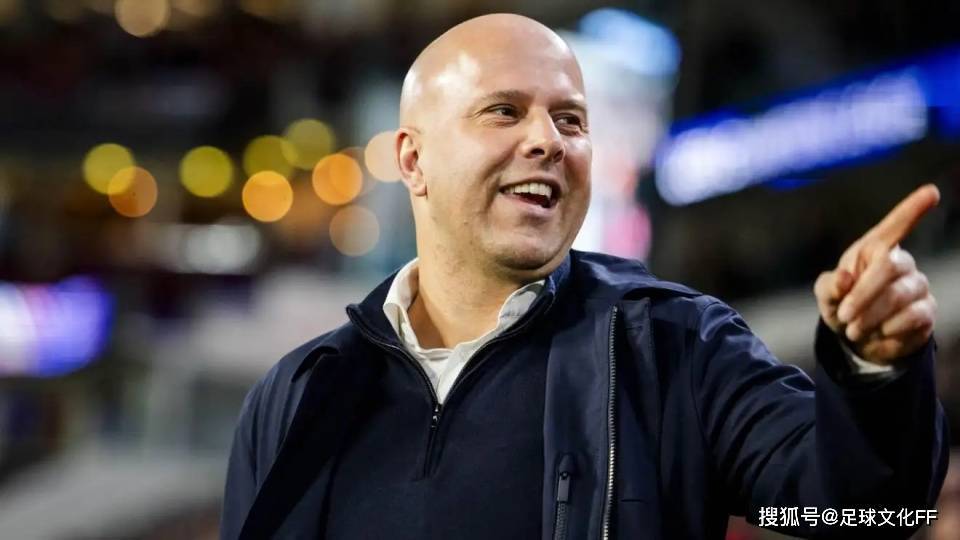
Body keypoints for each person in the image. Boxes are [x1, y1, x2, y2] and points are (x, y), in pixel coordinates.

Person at [220, 13, 948, 540]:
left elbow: (871, 514)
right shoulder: (297, 396)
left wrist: (873, 373)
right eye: (503, 112)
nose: (547, 140)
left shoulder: (676, 346)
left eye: (570, 121)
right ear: (413, 160)